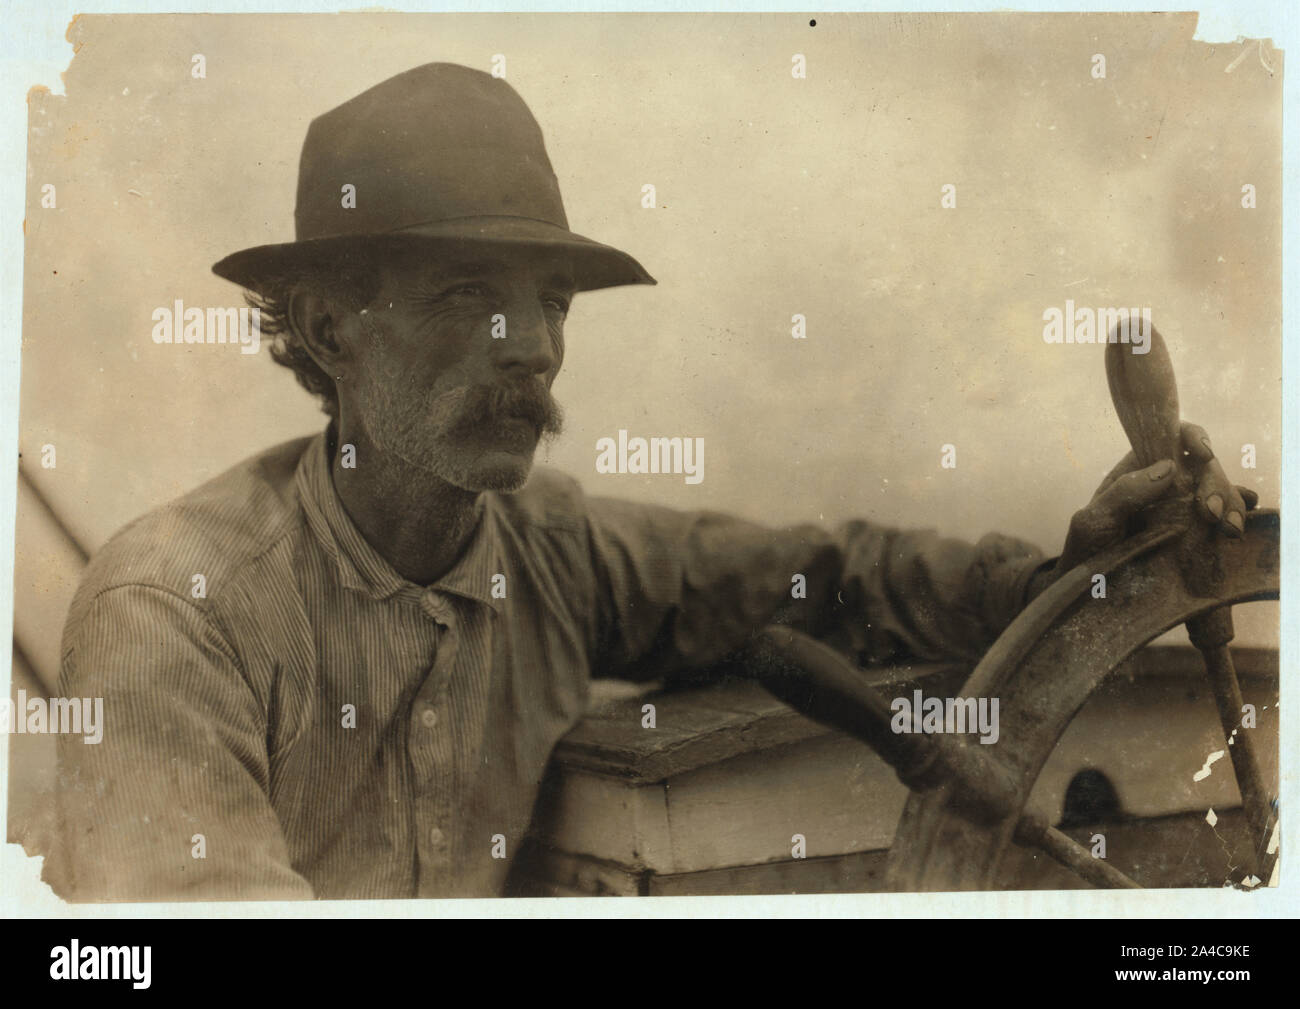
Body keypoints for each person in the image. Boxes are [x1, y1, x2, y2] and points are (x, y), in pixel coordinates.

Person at [45, 62, 1252, 901]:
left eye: (551, 299)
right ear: (324, 326)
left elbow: (826, 582)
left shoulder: (550, 551)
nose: (531, 343)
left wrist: (1067, 574)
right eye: (471, 295)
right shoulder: (171, 615)